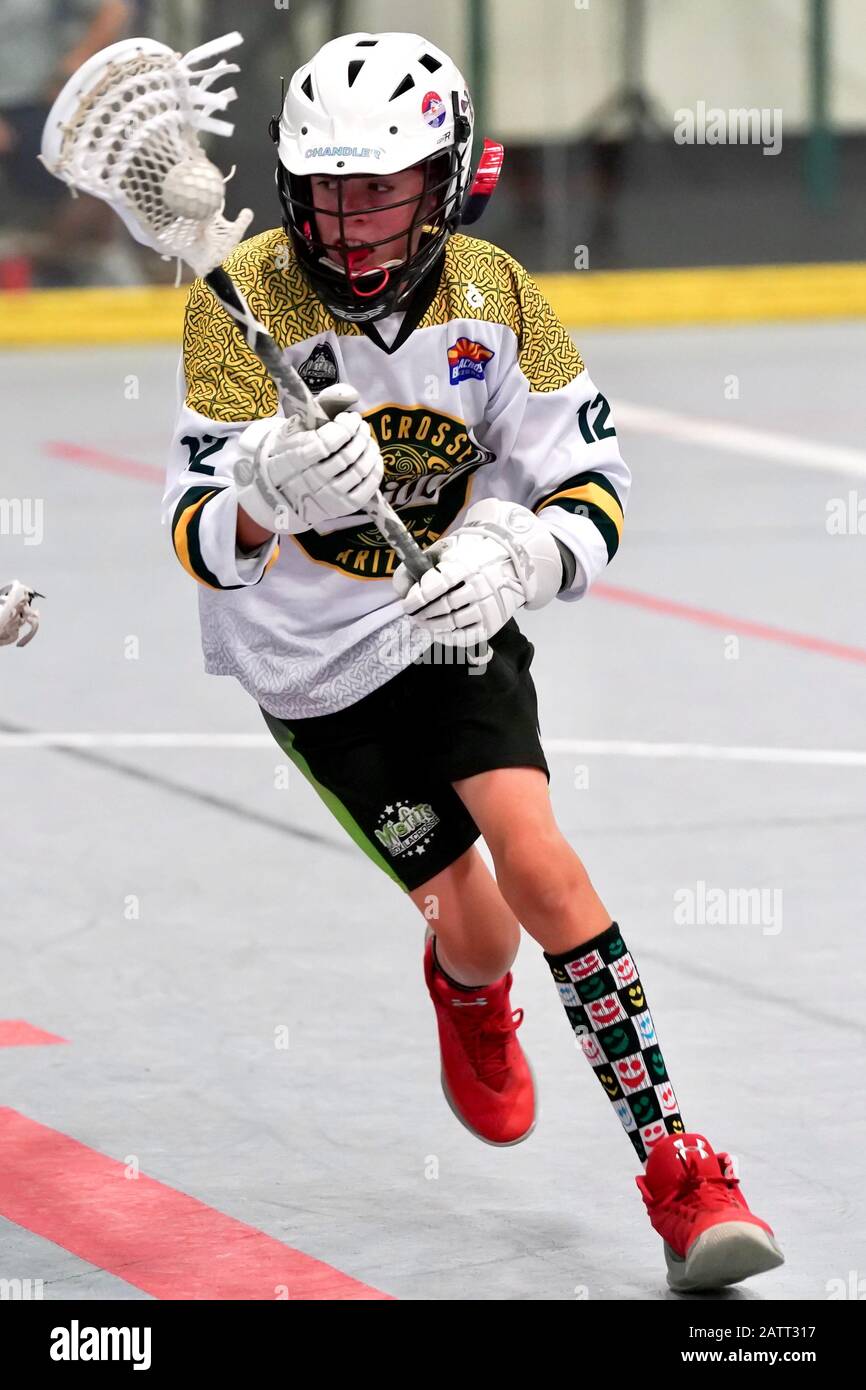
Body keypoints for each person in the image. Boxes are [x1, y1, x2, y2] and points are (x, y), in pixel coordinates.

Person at [162, 31, 784, 1293]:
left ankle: (682, 1174)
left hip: (449, 622)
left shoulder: (496, 296)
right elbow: (193, 536)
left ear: (448, 179)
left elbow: (592, 484)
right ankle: (466, 987)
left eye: (381, 186)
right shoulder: (235, 301)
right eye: (327, 189)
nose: (350, 220)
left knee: (543, 862)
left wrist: (523, 562)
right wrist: (264, 493)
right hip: (313, 672)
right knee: (484, 933)